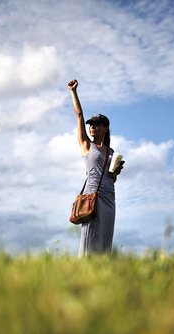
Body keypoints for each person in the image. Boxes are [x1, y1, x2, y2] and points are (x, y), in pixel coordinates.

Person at [67, 79, 124, 257]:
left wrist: (115, 172)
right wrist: (73, 92)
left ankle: (103, 274)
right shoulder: (86, 145)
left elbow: (110, 177)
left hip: (109, 198)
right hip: (94, 196)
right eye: (91, 124)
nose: (92, 127)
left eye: (97, 124)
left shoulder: (111, 151)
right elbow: (79, 115)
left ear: (105, 128)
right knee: (90, 238)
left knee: (105, 240)